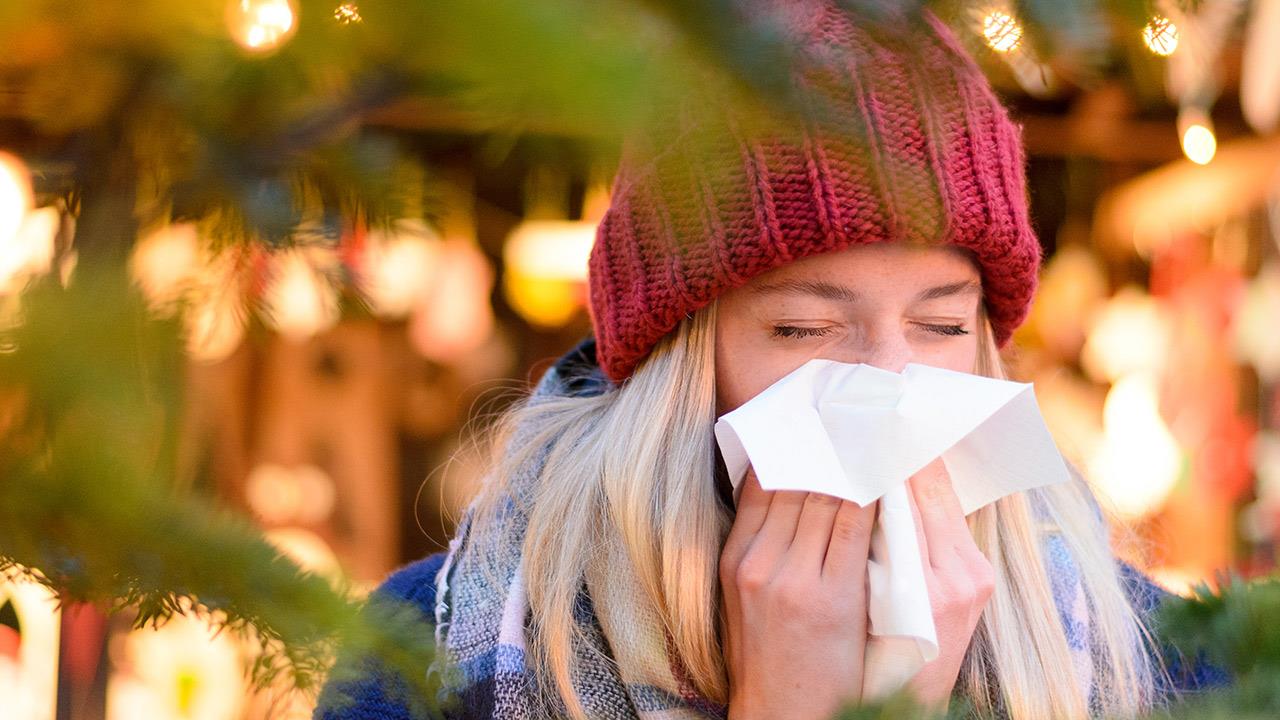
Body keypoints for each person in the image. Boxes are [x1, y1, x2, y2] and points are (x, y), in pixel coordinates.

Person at [315, 3, 1226, 719]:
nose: (888, 382)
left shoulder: (1154, 653)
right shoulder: (429, 650)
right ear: (679, 366)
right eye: (803, 329)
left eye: (942, 327)